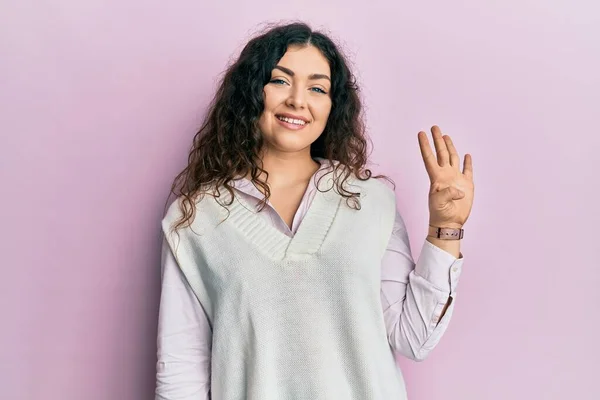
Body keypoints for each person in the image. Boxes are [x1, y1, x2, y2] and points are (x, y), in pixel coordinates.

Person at [155, 21, 474, 400]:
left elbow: (414, 338)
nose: (297, 100)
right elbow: (180, 372)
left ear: (332, 106)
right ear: (251, 92)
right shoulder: (194, 219)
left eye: (317, 88)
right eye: (280, 81)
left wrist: (446, 226)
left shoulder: (370, 202)